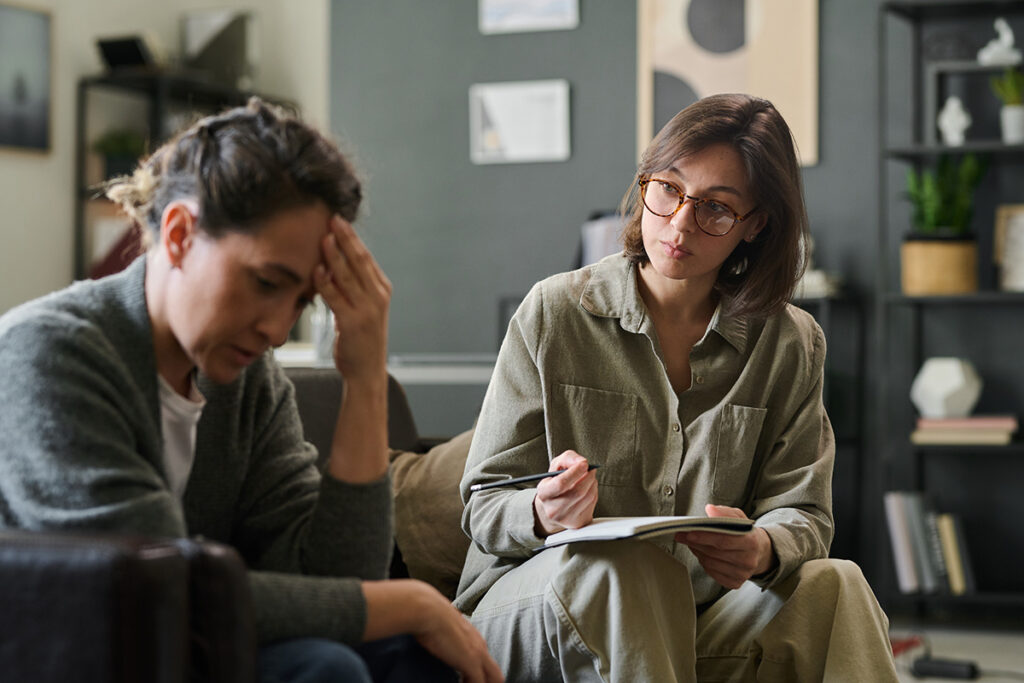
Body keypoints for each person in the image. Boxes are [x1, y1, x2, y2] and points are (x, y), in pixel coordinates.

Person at [0, 99, 502, 683]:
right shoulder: (48, 352)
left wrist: (365, 376)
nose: (278, 329)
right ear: (181, 232)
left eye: (300, 302)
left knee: (416, 661)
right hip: (75, 652)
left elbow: (336, 580)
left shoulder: (246, 382)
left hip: (186, 644)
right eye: (266, 282)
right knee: (328, 666)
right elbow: (150, 589)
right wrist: (408, 602)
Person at [456, 93, 899, 682]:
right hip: (532, 610)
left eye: (716, 208)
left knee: (835, 584)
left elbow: (804, 512)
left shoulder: (790, 343)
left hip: (695, 621)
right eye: (667, 188)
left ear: (756, 225)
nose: (681, 222)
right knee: (625, 571)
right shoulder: (555, 312)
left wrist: (761, 549)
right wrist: (541, 512)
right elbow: (484, 502)